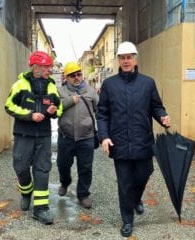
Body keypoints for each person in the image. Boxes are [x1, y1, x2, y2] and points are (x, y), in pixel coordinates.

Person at [96, 41, 171, 237]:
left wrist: (163, 117)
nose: (126, 61)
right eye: (123, 57)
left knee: (145, 172)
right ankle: (127, 220)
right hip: (119, 143)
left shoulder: (147, 83)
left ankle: (136, 198)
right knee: (125, 183)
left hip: (143, 141)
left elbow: (156, 107)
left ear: (135, 59)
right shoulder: (109, 85)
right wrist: (104, 137)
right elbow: (102, 114)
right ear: (119, 60)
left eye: (129, 57)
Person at [4, 51, 62, 225]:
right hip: (23, 136)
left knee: (42, 170)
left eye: (50, 67)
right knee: (21, 168)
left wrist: (53, 111)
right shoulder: (20, 84)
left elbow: (58, 108)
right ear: (35, 67)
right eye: (46, 67)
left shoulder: (51, 86)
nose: (49, 70)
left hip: (43, 136)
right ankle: (26, 191)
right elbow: (9, 106)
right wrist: (30, 115)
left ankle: (41, 209)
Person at [56, 61, 98, 209]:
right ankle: (65, 182)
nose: (76, 77)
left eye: (79, 74)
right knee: (63, 165)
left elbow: (99, 111)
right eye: (72, 75)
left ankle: (83, 194)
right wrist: (68, 101)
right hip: (65, 137)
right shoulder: (59, 92)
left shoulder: (91, 92)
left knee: (85, 167)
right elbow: (54, 111)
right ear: (66, 77)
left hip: (86, 137)